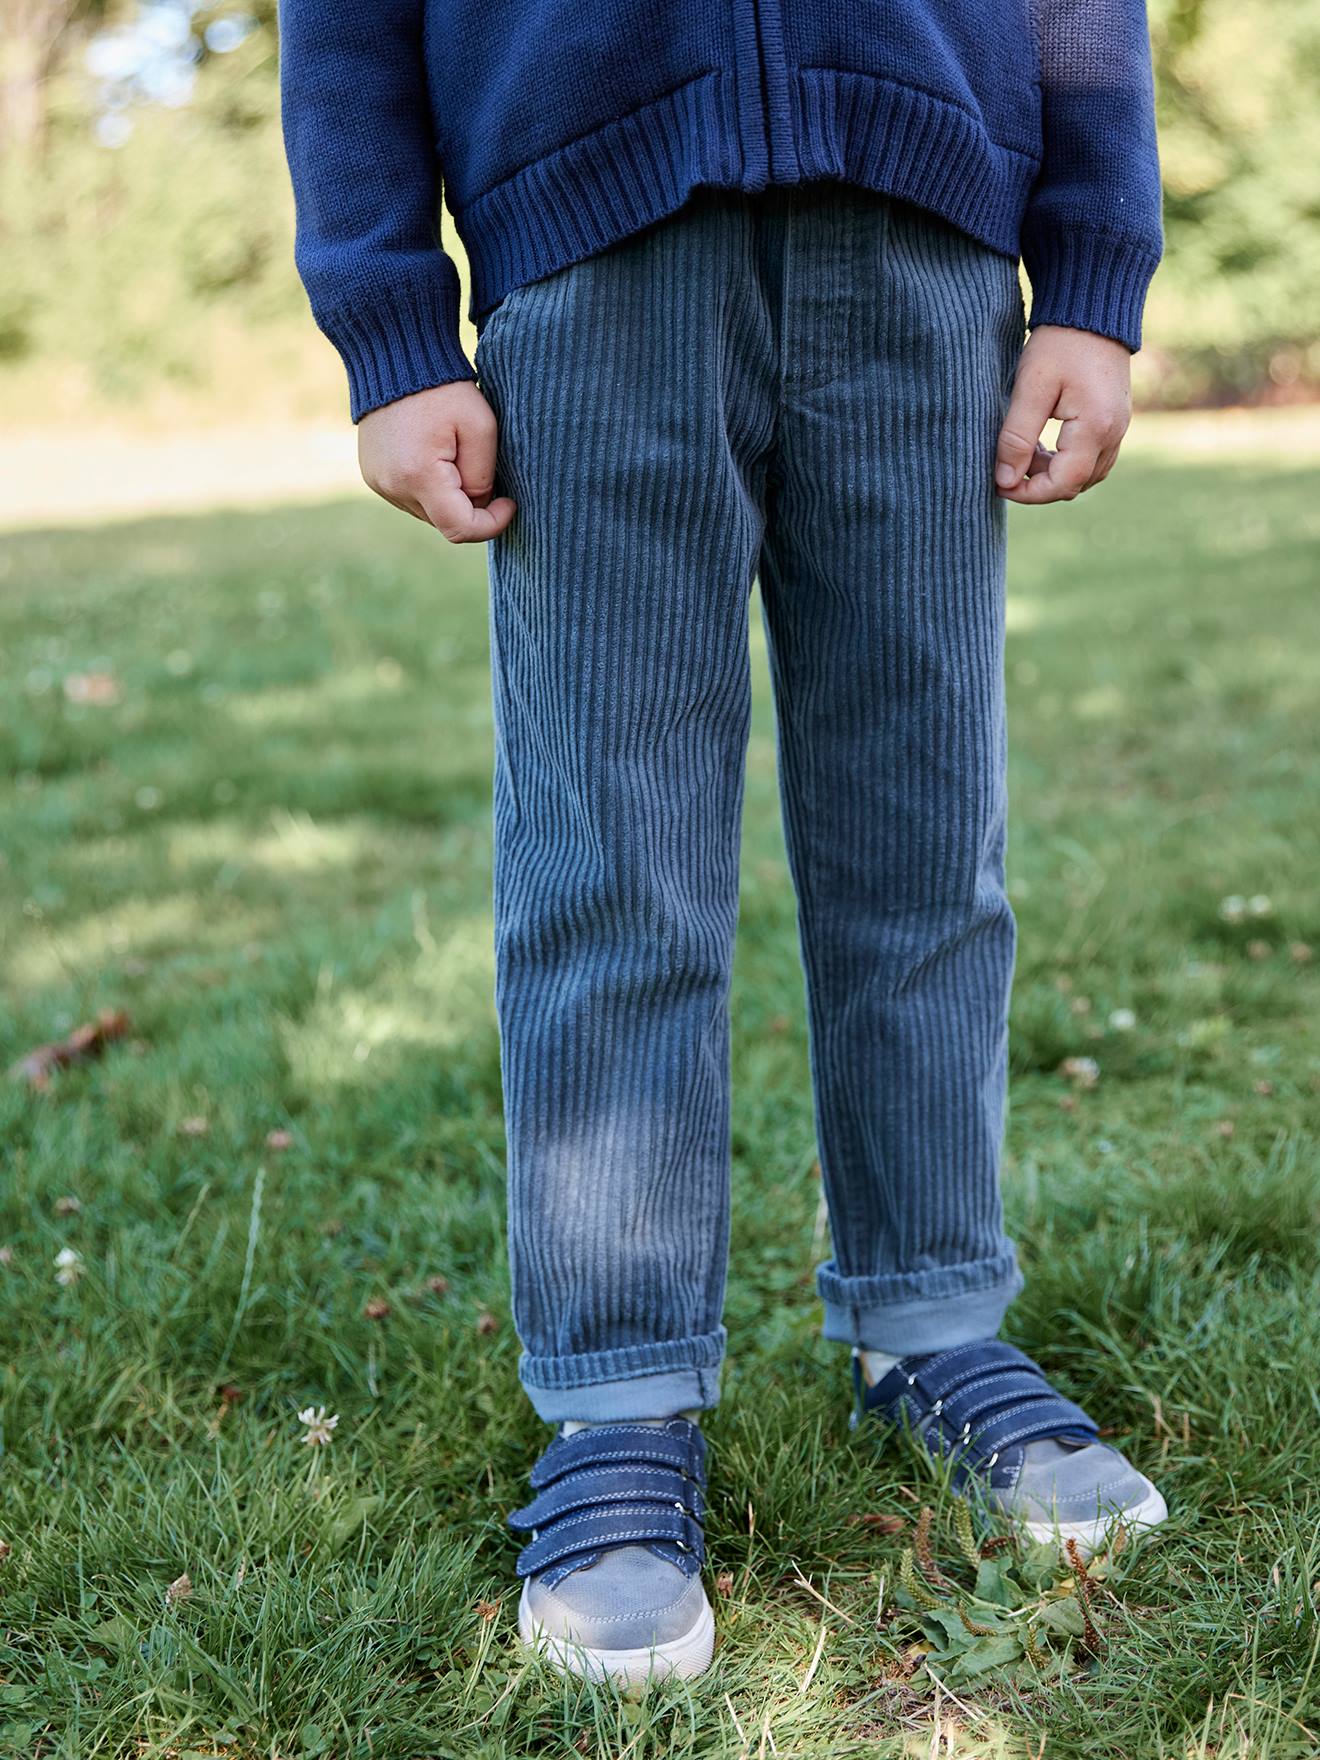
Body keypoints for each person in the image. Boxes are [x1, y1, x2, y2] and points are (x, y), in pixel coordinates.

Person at [279, 0, 1168, 1686]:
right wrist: (391, 326)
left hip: (925, 259)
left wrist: (1095, 280)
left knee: (922, 844)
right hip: (592, 264)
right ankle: (618, 1404)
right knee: (611, 868)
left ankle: (931, 1324)